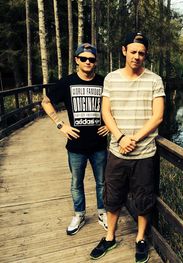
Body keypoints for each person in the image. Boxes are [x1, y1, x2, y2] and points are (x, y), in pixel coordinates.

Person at [90, 32, 165, 262]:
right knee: (112, 197)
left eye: (141, 53)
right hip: (117, 151)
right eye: (133, 52)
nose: (137, 57)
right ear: (124, 51)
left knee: (143, 198)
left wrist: (134, 139)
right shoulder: (111, 78)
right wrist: (121, 138)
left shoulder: (155, 80)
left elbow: (158, 117)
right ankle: (110, 237)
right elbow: (106, 112)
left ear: (146, 55)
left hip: (144, 154)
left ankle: (140, 239)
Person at [41, 43, 109, 236]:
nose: (88, 62)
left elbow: (117, 105)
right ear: (76, 60)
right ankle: (79, 214)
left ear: (96, 62)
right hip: (76, 145)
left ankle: (102, 213)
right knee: (76, 183)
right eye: (84, 58)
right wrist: (60, 124)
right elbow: (46, 102)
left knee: (102, 182)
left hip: (99, 144)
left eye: (92, 59)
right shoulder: (67, 82)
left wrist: (111, 126)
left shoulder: (104, 82)